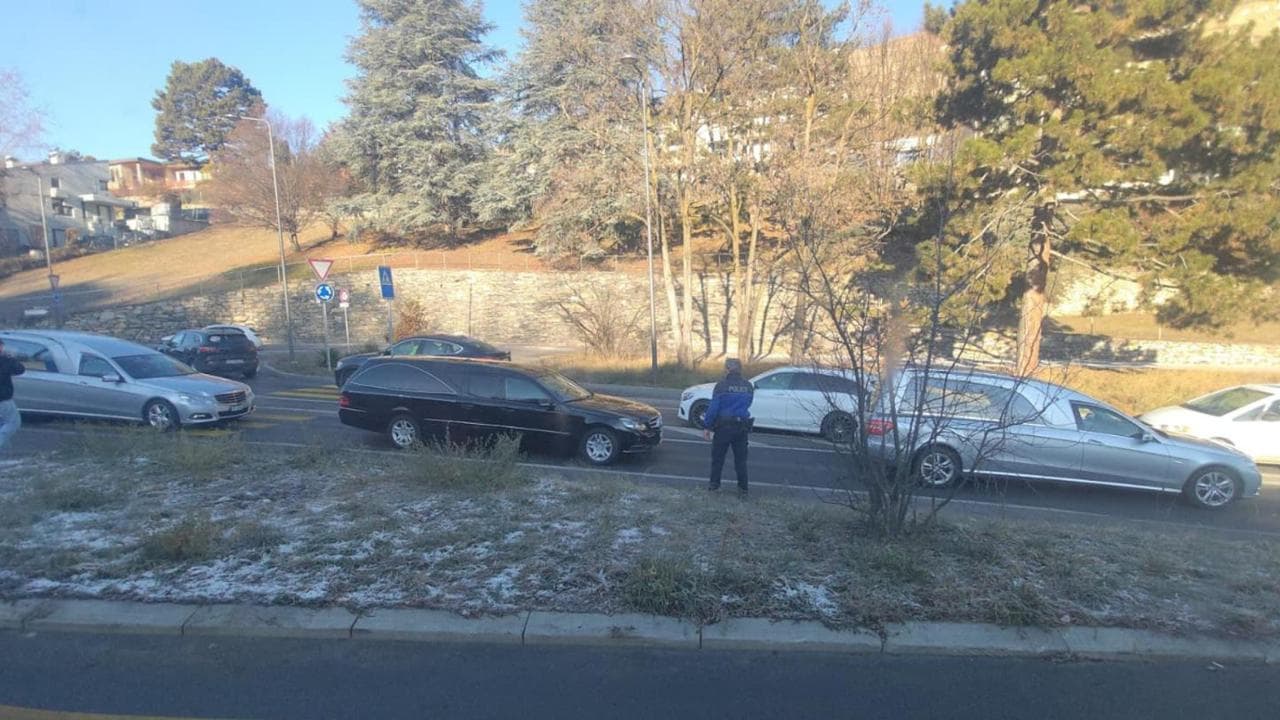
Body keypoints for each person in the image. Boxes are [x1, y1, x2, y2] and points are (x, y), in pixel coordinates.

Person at [702, 357, 754, 497]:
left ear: (727, 369)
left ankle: (714, 487)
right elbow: (748, 404)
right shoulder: (748, 386)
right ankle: (743, 490)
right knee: (741, 461)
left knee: (718, 459)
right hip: (742, 428)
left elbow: (713, 408)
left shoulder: (721, 386)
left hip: (723, 428)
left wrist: (707, 426)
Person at [0, 338, 25, 452]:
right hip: (3, 398)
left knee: (2, 424)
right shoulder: (5, 360)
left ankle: (5, 451)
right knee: (13, 422)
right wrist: (12, 358)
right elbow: (20, 369)